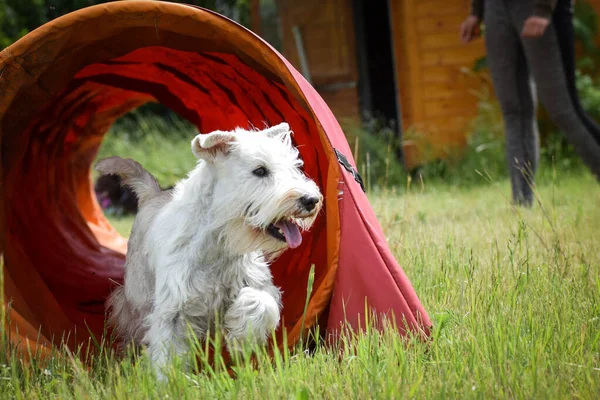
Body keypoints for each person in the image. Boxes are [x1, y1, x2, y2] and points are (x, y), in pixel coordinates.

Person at [460, 0, 600, 207]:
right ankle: (522, 202)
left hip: (537, 7)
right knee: (514, 111)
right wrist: (477, 11)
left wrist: (543, 10)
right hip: (495, 9)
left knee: (564, 109)